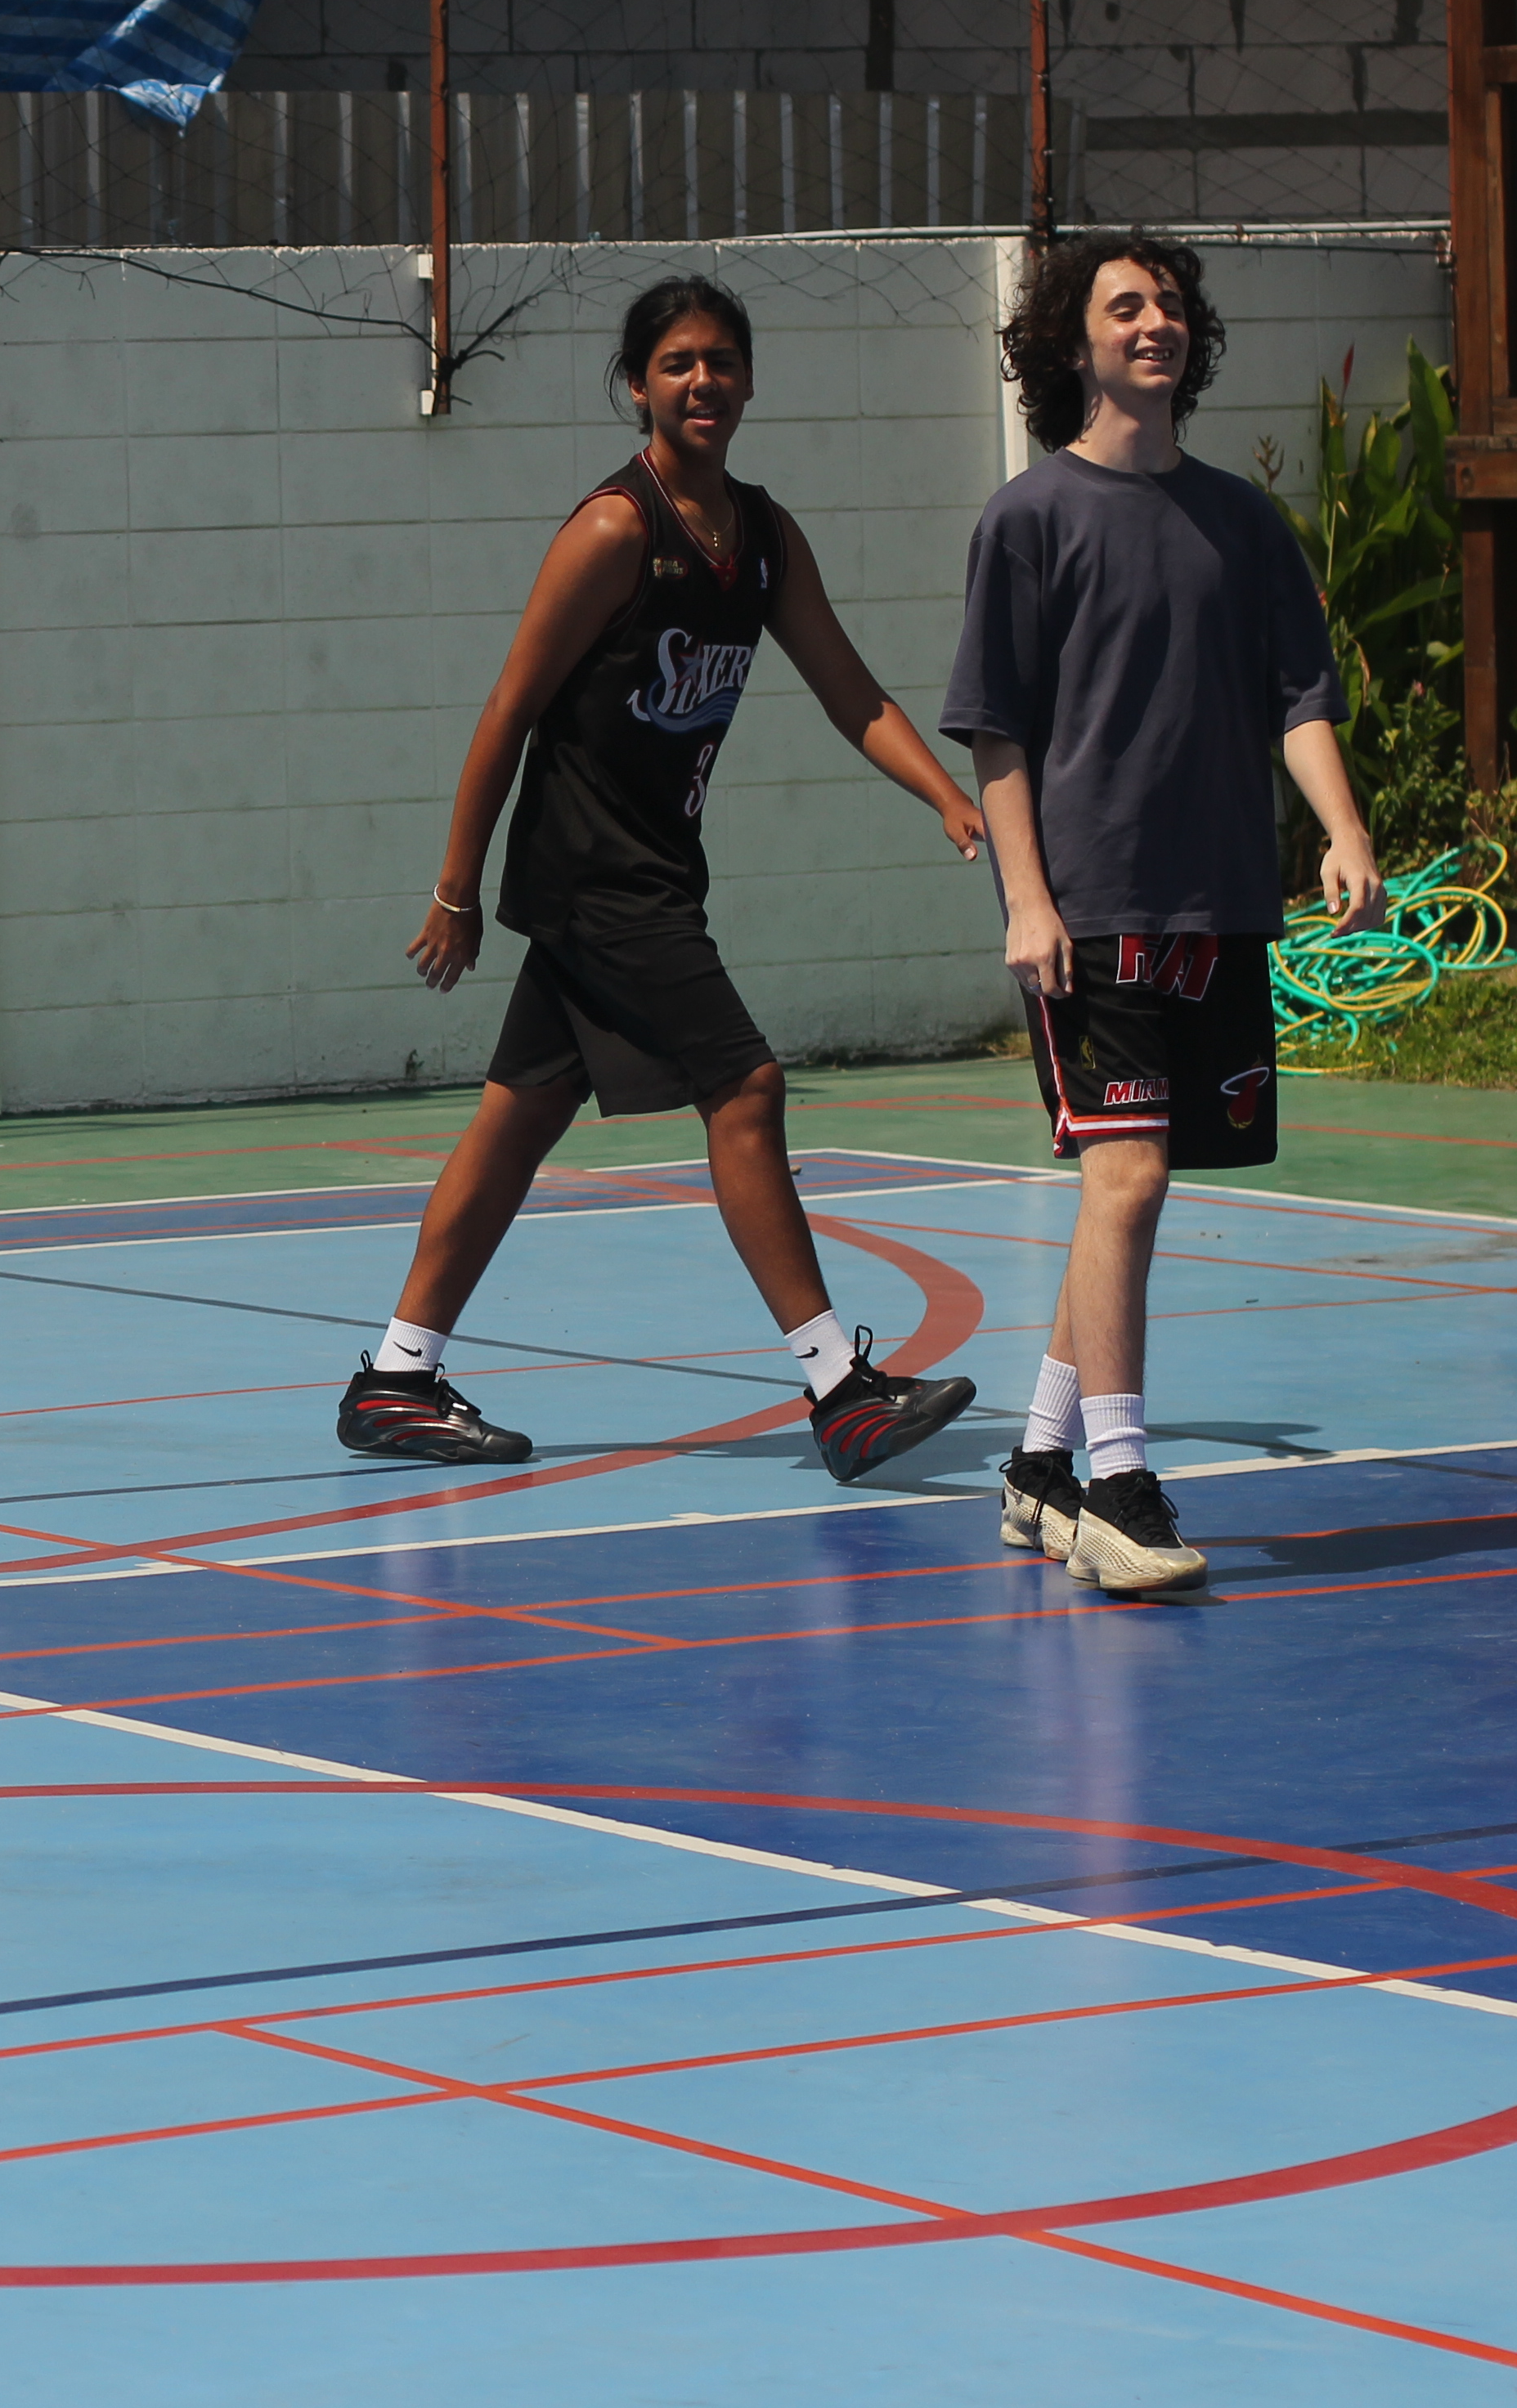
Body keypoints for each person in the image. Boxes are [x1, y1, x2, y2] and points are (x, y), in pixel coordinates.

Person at [341, 276, 989, 1481]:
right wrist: (453, 885)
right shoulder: (614, 529)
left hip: (654, 874)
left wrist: (945, 793)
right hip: (597, 879)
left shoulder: (762, 537)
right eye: (679, 363)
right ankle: (839, 1391)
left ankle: (395, 1377)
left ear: (749, 382)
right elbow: (508, 709)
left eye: (723, 362)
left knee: (523, 1112)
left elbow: (851, 692)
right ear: (638, 384)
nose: (704, 382)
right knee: (744, 1087)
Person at [947, 235, 1382, 1597]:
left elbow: (1296, 701)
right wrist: (1027, 898)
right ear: (1073, 346)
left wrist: (1346, 827)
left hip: (1219, 906)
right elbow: (998, 731)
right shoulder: (1029, 518)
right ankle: (1119, 1487)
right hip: (1094, 911)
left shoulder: (1243, 524)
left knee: (1128, 1194)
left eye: (1171, 306)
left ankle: (1036, 1465)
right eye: (1124, 307)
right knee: (1125, 1179)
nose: (1156, 324)